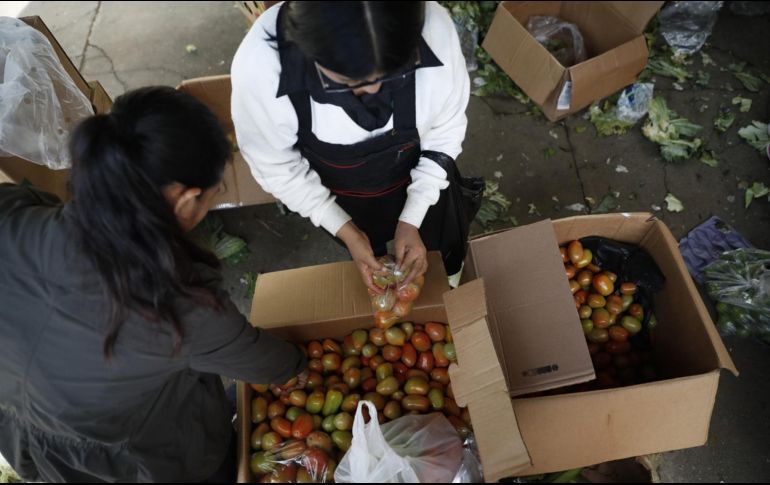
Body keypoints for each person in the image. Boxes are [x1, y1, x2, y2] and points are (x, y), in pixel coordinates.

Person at [0, 86, 307, 482]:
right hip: (130, 455)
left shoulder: (9, 215)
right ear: (186, 198)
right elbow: (266, 362)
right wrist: (297, 367)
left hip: (20, 424)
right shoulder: (183, 305)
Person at [231, 1, 471, 292]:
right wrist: (347, 231)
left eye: (391, 73)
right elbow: (277, 167)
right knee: (371, 252)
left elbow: (446, 129)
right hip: (344, 199)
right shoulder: (261, 69)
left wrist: (412, 217)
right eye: (346, 80)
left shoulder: (435, 30)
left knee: (443, 249)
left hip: (424, 179)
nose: (371, 91)